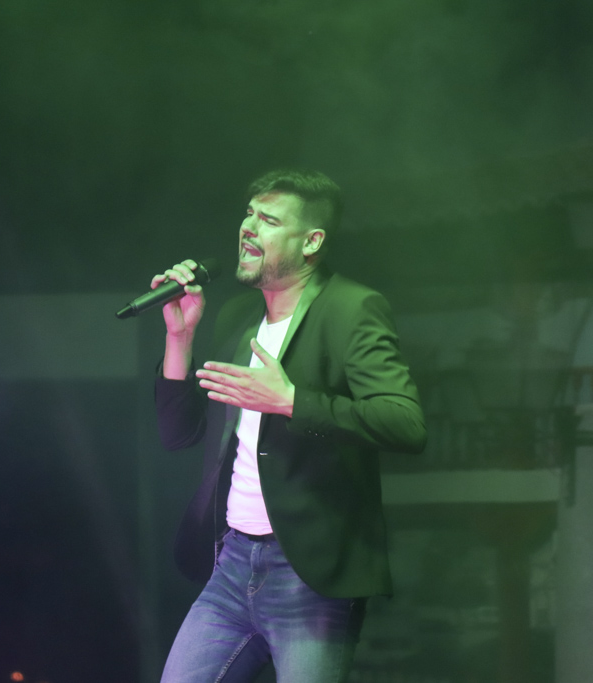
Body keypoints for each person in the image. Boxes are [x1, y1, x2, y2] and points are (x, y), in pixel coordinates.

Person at [153, 169, 427, 682]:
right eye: (249, 214)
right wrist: (179, 338)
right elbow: (178, 433)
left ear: (311, 242)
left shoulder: (352, 309)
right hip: (231, 563)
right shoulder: (238, 317)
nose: (249, 227)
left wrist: (292, 401)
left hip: (309, 575)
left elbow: (405, 423)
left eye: (270, 220)